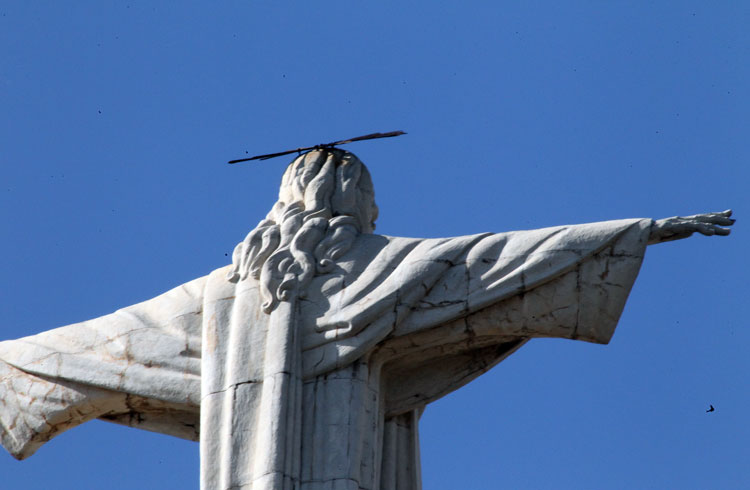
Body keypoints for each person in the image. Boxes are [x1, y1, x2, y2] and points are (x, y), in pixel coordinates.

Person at [0, 149, 734, 490]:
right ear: (357, 202)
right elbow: (504, 263)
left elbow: (102, 347)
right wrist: (644, 231)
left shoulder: (218, 293)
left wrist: (11, 364)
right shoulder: (380, 268)